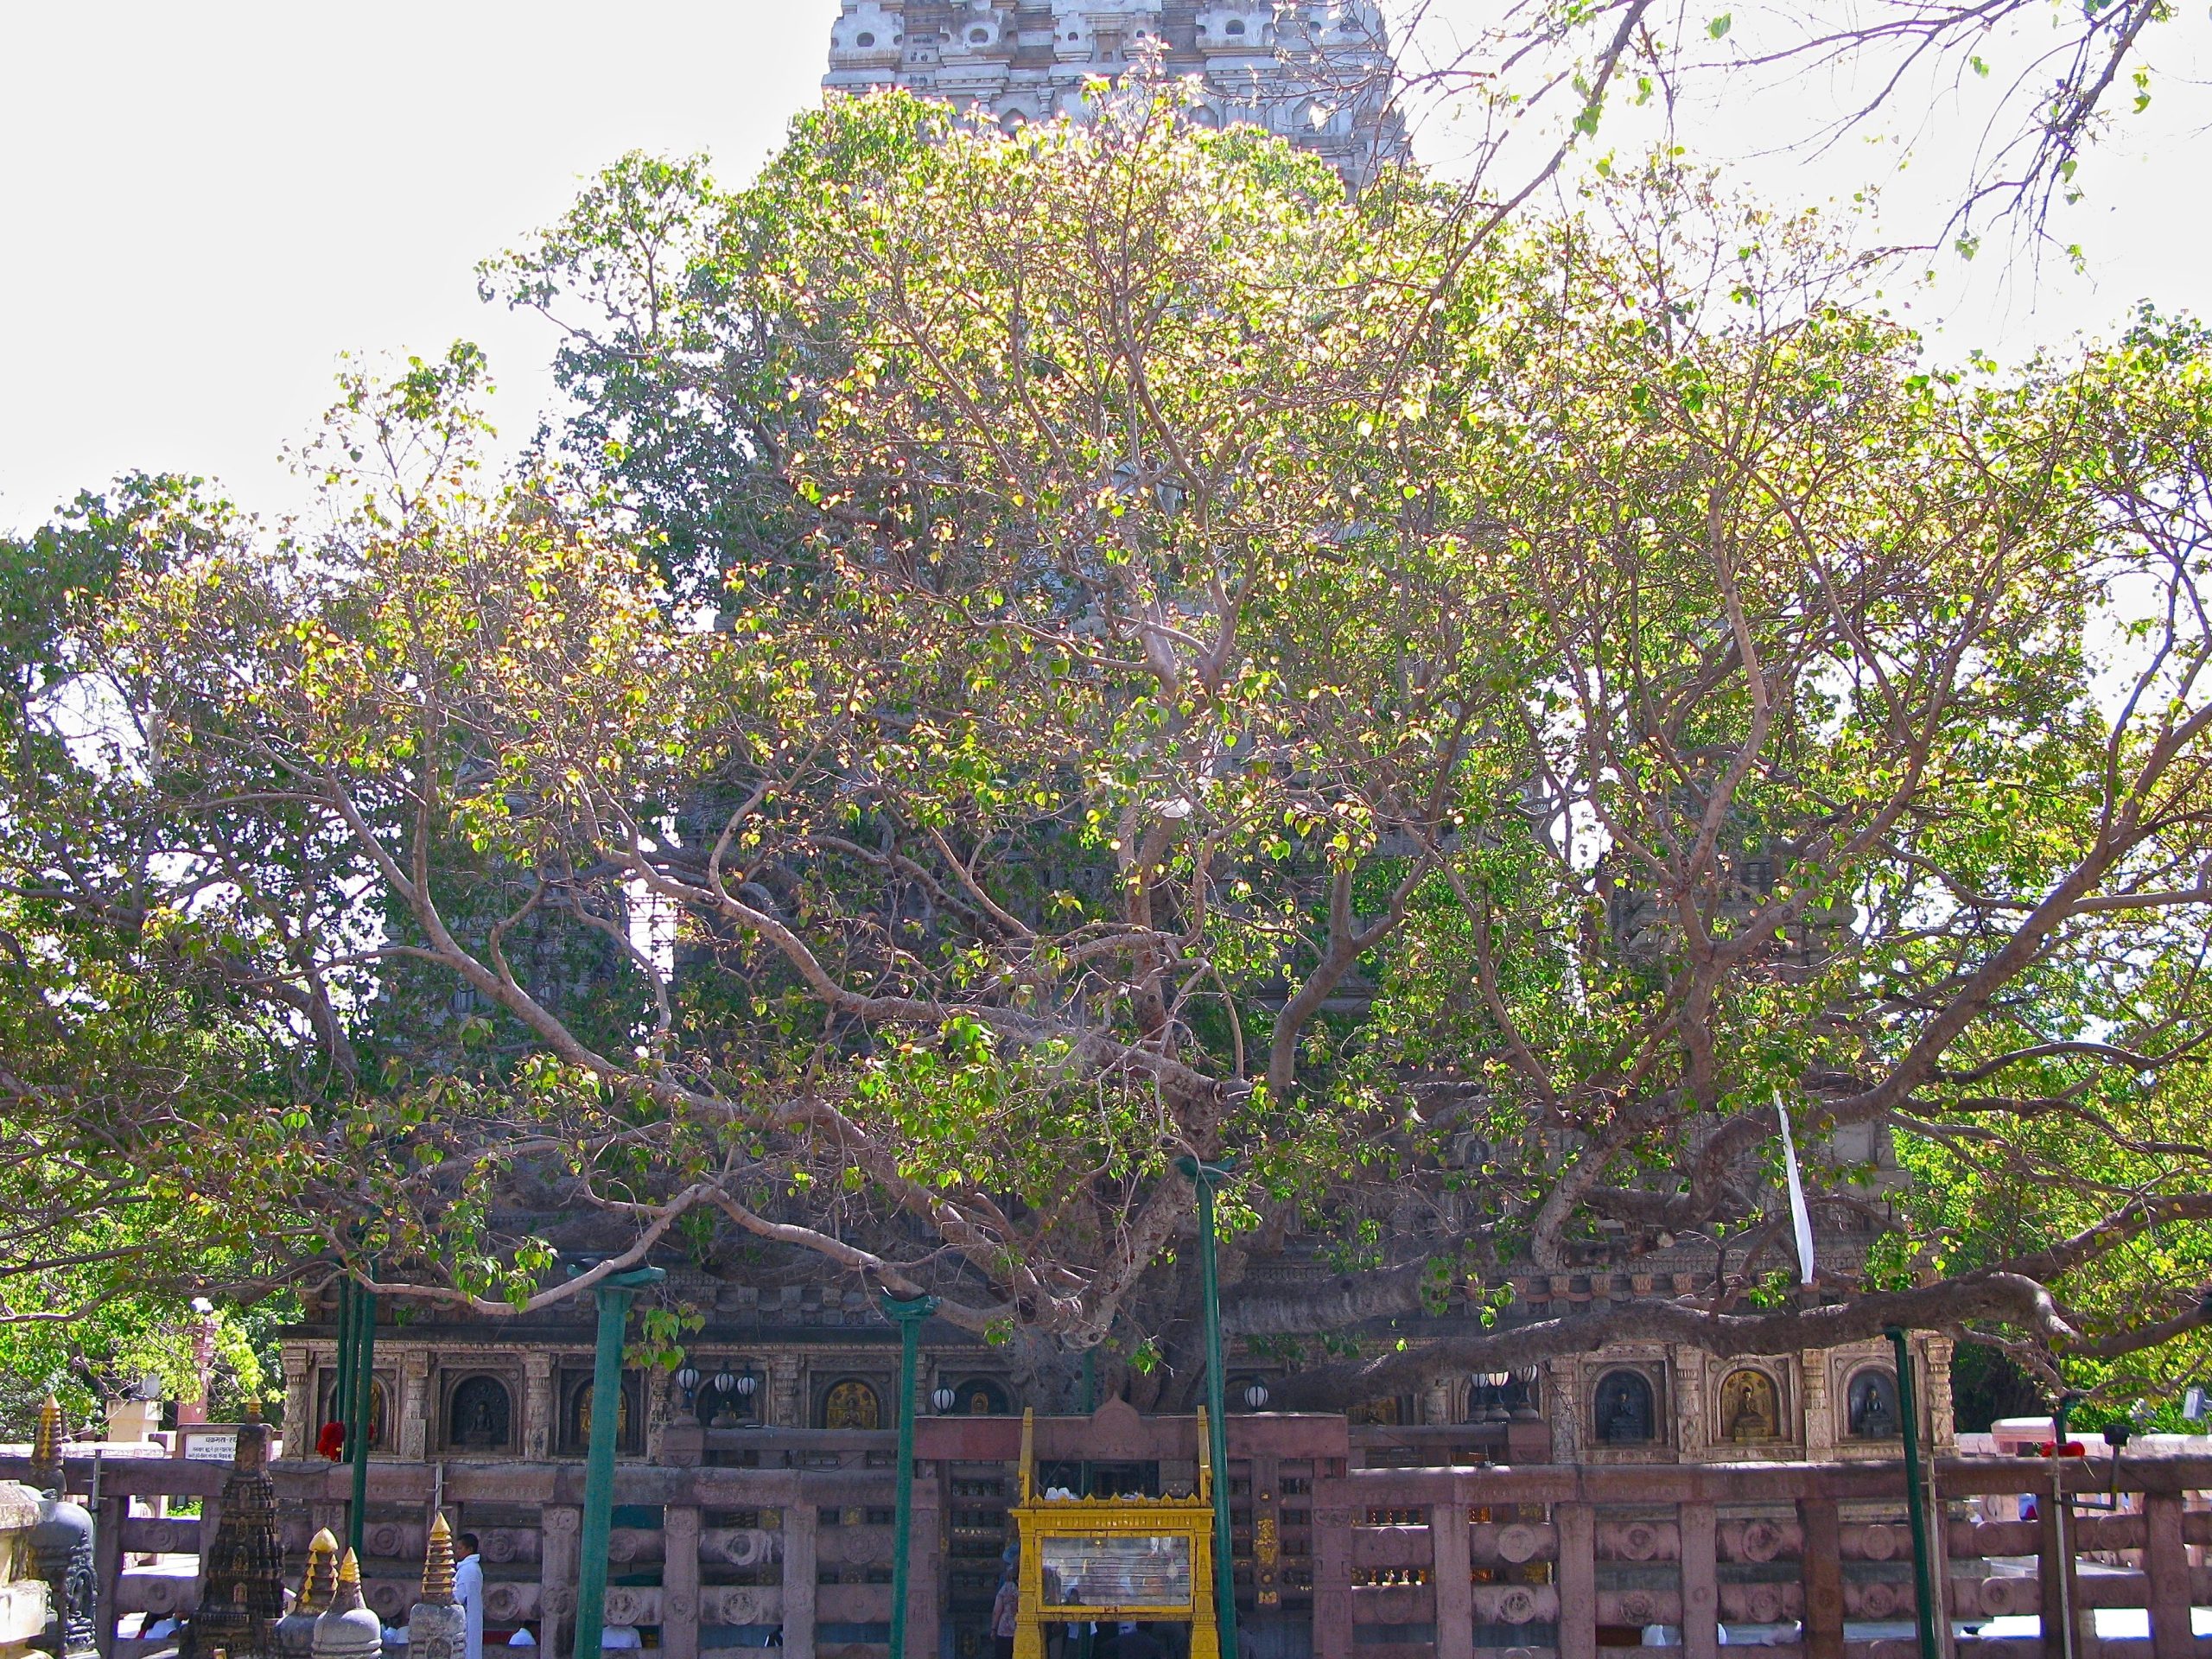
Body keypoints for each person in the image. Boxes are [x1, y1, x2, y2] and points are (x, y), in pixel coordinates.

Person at [454, 1532, 486, 1659]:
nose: (458, 1552)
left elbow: (459, 1596)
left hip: (467, 1617)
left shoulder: (468, 1569)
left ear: (470, 1550)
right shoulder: (473, 1568)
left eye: (460, 1548)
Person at [991, 1563, 1021, 1659]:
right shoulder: (1029, 1588)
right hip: (1023, 1630)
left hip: (1005, 1631)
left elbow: (997, 1610)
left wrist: (993, 1629)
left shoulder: (1007, 1588)